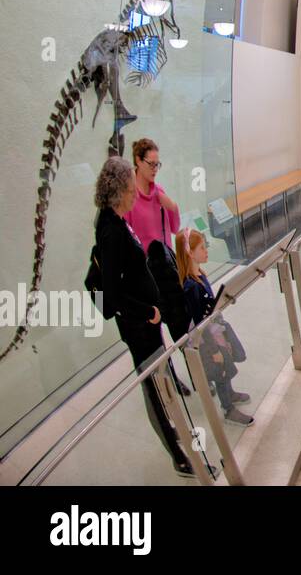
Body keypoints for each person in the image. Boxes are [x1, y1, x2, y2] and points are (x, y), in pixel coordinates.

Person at [94, 156, 194, 478]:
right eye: (130, 184)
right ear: (120, 188)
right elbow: (110, 297)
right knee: (151, 384)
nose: (135, 190)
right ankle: (175, 452)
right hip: (138, 325)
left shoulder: (119, 220)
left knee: (161, 375)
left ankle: (174, 431)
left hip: (148, 322)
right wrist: (146, 311)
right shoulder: (110, 230)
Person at [125, 138, 190, 393]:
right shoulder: (129, 199)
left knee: (179, 323)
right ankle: (170, 379)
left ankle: (197, 371)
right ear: (138, 162)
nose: (154, 169)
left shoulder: (158, 192)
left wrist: (171, 206)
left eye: (157, 164)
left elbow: (174, 228)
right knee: (156, 333)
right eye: (151, 164)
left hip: (166, 272)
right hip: (146, 277)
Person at [174, 229, 254, 426]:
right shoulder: (191, 287)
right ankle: (228, 409)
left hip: (215, 332)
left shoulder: (199, 275)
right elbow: (200, 323)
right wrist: (214, 349)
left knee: (226, 366)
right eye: (202, 247)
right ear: (190, 253)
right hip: (209, 340)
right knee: (221, 371)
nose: (207, 250)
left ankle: (230, 393)